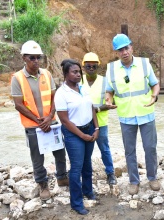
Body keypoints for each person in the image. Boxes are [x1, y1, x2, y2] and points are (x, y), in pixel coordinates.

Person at [10, 40, 68, 201]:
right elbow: (18, 105)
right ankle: (42, 184)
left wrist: (49, 118)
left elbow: (54, 97)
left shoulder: (46, 74)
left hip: (52, 122)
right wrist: (39, 121)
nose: (36, 61)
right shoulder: (17, 78)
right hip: (33, 126)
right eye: (32, 58)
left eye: (38, 58)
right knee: (37, 157)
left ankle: (62, 177)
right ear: (24, 58)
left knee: (59, 152)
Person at [105, 33, 161, 195]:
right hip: (126, 115)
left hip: (146, 112)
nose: (124, 52)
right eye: (120, 50)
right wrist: (108, 100)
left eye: (126, 48)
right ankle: (133, 181)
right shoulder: (112, 68)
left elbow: (155, 84)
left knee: (150, 147)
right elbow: (109, 90)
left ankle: (152, 177)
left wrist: (154, 96)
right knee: (129, 150)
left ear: (131, 47)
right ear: (116, 52)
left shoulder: (144, 64)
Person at [54, 59, 99, 215]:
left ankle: (88, 191)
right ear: (66, 74)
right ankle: (76, 203)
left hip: (89, 128)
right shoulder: (61, 93)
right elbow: (64, 120)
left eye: (79, 71)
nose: (78, 74)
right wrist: (82, 135)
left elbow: (92, 108)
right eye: (74, 72)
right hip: (74, 134)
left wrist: (97, 127)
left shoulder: (83, 88)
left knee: (87, 164)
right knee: (76, 168)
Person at [81, 52, 117, 185]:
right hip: (83, 123)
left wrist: (96, 109)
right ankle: (86, 174)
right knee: (84, 152)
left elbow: (109, 103)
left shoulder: (105, 81)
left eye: (94, 66)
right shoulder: (78, 80)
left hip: (101, 123)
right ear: (83, 66)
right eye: (88, 66)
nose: (91, 68)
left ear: (98, 67)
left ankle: (110, 173)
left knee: (105, 149)